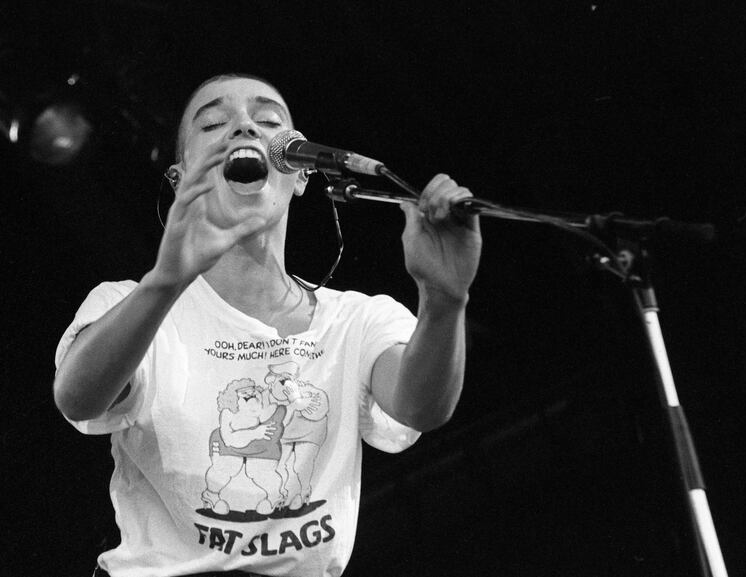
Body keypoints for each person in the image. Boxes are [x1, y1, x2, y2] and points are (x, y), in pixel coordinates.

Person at [53, 73, 482, 577]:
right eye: (213, 123)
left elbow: (421, 407)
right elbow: (79, 399)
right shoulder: (130, 304)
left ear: (300, 175)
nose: (244, 127)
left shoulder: (357, 319)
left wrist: (444, 300)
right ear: (180, 178)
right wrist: (165, 282)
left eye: (269, 120)